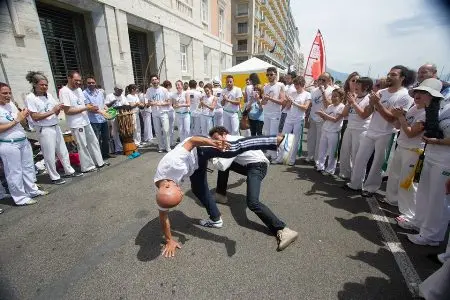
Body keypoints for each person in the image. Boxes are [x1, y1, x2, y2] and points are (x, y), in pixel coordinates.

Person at [155, 129, 289, 257]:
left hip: (198, 149)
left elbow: (192, 141)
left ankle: (276, 140)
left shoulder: (174, 162)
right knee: (198, 189)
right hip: (193, 166)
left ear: (167, 185)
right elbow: (163, 217)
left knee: (231, 149)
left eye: (179, 190)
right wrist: (169, 240)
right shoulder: (163, 195)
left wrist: (213, 143)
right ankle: (215, 219)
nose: (182, 191)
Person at [211, 127, 298, 251]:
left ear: (224, 134)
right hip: (251, 165)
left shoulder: (230, 143)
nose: (215, 142)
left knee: (253, 203)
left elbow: (221, 165)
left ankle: (283, 229)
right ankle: (221, 194)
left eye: (216, 138)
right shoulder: (235, 138)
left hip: (257, 167)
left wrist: (212, 156)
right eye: (212, 140)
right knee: (226, 165)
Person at [346, 66, 415, 197]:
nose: (389, 76)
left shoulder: (405, 96)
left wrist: (378, 104)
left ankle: (370, 188)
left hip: (386, 133)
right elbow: (367, 112)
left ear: (402, 78)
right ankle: (354, 184)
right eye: (389, 73)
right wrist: (367, 104)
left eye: (393, 74)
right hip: (371, 131)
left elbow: (392, 119)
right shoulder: (381, 91)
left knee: (377, 162)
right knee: (360, 158)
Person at [405, 79, 450, 246]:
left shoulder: (447, 109)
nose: (417, 95)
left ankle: (432, 236)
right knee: (424, 191)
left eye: (422, 92)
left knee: (437, 198)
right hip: (431, 154)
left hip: (445, 160)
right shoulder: (434, 109)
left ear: (430, 95)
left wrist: (436, 142)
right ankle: (419, 222)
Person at [25, 71, 82, 185]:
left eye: (46, 85)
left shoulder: (49, 95)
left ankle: (69, 170)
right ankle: (54, 176)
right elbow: (35, 116)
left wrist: (58, 109)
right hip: (44, 129)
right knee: (49, 153)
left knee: (63, 150)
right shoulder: (30, 98)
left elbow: (54, 110)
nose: (45, 87)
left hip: (55, 125)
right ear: (35, 85)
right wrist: (52, 111)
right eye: (42, 85)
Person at [0, 82, 48, 205]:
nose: (8, 95)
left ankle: (32, 190)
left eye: (9, 92)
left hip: (22, 140)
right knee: (14, 171)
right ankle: (20, 197)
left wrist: (24, 117)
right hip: (8, 144)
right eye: (4, 93)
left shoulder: (10, 104)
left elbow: (20, 120)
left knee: (28, 168)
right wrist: (17, 120)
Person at [385, 85, 426, 215]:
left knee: (407, 183)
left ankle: (408, 213)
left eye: (421, 93)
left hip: (413, 150)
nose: (417, 95)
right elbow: (398, 126)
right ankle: (391, 200)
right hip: (402, 145)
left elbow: (411, 133)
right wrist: (399, 116)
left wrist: (401, 117)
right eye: (415, 93)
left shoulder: (427, 112)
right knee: (394, 175)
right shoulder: (413, 108)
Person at [60, 71, 108, 172]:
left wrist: (98, 110)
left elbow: (86, 105)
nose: (78, 83)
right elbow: (68, 111)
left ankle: (99, 162)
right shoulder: (64, 91)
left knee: (93, 142)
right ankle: (87, 167)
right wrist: (85, 108)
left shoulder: (78, 90)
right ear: (69, 78)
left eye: (79, 81)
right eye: (75, 80)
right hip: (76, 123)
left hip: (86, 121)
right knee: (82, 145)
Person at [339, 77, 373, 179]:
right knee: (344, 152)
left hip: (361, 130)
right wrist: (349, 103)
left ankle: (356, 180)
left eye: (358, 85)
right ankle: (345, 174)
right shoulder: (353, 97)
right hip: (350, 127)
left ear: (366, 87)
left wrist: (353, 103)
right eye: (355, 84)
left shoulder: (369, 99)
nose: (355, 86)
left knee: (356, 156)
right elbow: (344, 114)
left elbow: (364, 115)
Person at [276, 76, 311, 165]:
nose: (296, 86)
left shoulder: (307, 94)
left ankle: (291, 160)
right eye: (295, 84)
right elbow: (287, 107)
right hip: (289, 118)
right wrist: (288, 101)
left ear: (302, 84)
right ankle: (280, 158)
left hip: (299, 119)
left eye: (298, 84)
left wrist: (294, 102)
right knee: (283, 137)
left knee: (295, 140)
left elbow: (305, 108)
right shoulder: (292, 93)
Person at [83, 76, 115, 159]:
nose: (91, 84)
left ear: (95, 83)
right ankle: (98, 157)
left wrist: (108, 111)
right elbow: (89, 107)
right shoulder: (84, 94)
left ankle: (105, 154)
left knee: (106, 138)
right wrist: (101, 112)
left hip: (103, 119)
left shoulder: (100, 92)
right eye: (89, 83)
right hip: (93, 120)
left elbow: (103, 104)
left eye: (93, 82)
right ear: (86, 84)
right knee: (95, 140)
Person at [315, 89, 345, 174]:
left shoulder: (342, 107)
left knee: (332, 152)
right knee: (322, 150)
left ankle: (330, 170)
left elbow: (335, 119)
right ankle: (320, 166)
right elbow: (326, 119)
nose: (333, 98)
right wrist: (321, 115)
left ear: (341, 97)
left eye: (335, 96)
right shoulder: (330, 106)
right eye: (332, 96)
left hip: (334, 132)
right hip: (325, 130)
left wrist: (324, 114)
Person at [305, 72, 334, 163]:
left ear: (329, 81)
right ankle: (310, 155)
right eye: (319, 79)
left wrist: (323, 92)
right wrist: (307, 118)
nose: (321, 81)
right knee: (310, 138)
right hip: (313, 117)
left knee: (320, 140)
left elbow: (328, 105)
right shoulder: (313, 90)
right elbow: (310, 105)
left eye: (323, 80)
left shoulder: (332, 91)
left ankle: (317, 159)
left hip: (323, 119)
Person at [262, 67, 285, 161]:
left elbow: (282, 101)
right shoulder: (265, 86)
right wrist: (262, 100)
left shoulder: (280, 85)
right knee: (267, 134)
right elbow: (263, 103)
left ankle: (275, 155)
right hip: (266, 113)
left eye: (271, 74)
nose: (269, 76)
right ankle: (269, 153)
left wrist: (270, 98)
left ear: (276, 74)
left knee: (273, 135)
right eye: (267, 75)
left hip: (275, 114)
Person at [146, 75, 171, 153]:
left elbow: (169, 102)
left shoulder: (164, 90)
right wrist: (151, 103)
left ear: (158, 80)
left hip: (163, 112)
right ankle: (161, 147)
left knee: (166, 130)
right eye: (152, 80)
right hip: (155, 113)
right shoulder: (149, 90)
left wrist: (160, 104)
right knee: (157, 131)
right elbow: (148, 102)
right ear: (151, 82)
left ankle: (168, 147)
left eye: (155, 79)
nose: (154, 81)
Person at [338, 72, 360, 160]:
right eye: (353, 80)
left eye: (357, 81)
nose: (355, 82)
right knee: (342, 144)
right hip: (342, 121)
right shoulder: (343, 94)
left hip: (355, 123)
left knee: (353, 147)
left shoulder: (361, 95)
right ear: (348, 82)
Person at [105, 84, 129, 153]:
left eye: (122, 91)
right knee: (115, 132)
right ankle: (118, 149)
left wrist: (125, 106)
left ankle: (124, 146)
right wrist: (112, 103)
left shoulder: (123, 97)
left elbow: (127, 105)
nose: (121, 92)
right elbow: (106, 106)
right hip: (113, 115)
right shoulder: (109, 96)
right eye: (119, 90)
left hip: (122, 116)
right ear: (115, 89)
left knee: (122, 131)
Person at [161, 80, 175, 147]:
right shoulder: (170, 93)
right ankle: (170, 142)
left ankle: (167, 142)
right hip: (169, 110)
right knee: (169, 128)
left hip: (167, 110)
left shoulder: (163, 92)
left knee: (166, 128)